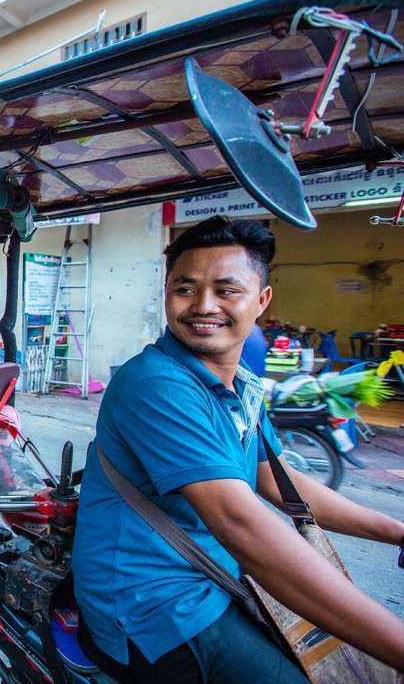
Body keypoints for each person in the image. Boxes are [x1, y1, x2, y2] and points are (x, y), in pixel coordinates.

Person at [72, 216, 404, 682]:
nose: (204, 306)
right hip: (153, 600)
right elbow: (240, 523)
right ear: (166, 292)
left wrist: (396, 531)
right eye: (185, 289)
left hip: (215, 575)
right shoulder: (156, 384)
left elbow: (278, 480)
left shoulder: (243, 385)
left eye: (227, 290)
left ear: (262, 300)